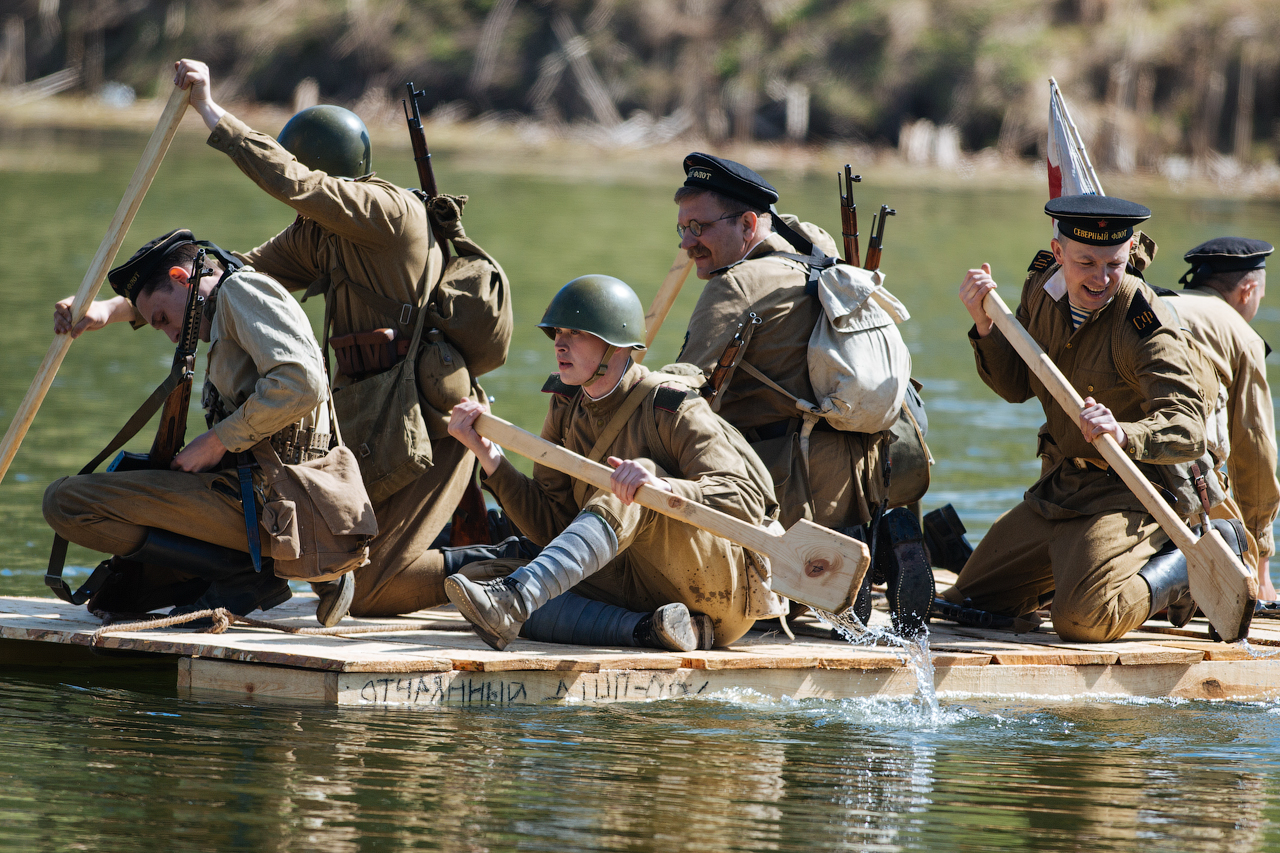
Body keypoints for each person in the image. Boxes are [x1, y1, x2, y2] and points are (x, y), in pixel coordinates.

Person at [170, 59, 495, 620]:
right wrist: (115, 306)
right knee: (336, 566)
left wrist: (208, 109)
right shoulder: (319, 234)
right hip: (367, 415)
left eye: (304, 177)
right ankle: (462, 553)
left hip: (429, 418)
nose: (299, 199)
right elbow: (231, 280)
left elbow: (298, 184)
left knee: (365, 590)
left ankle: (514, 558)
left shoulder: (390, 212)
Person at [944, 194, 1243, 642]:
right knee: (967, 602)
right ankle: (1076, 567)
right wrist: (985, 324)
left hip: (1135, 493)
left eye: (1114, 263)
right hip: (1063, 487)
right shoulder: (1042, 289)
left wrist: (1124, 433)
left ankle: (1185, 562)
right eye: (1086, 262)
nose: (1101, 278)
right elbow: (1015, 387)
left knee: (1083, 619)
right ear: (1059, 252)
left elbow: (1188, 428)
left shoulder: (1143, 323)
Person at [445, 275, 785, 651]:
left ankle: (518, 600)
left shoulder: (672, 407)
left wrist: (665, 489)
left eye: (576, 332)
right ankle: (651, 629)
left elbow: (746, 497)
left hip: (717, 589)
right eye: (558, 331)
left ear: (615, 346)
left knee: (627, 487)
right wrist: (489, 456)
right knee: (481, 577)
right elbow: (551, 523)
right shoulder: (566, 405)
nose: (559, 343)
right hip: (638, 585)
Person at [670, 152, 931, 632]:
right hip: (867, 476)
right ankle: (873, 549)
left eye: (699, 228)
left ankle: (819, 577)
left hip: (791, 487)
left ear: (749, 224)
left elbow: (680, 389)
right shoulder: (817, 249)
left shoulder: (736, 287)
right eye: (683, 228)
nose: (688, 244)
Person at [45, 229, 344, 620]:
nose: (171, 335)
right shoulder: (230, 296)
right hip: (264, 500)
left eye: (163, 320)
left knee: (66, 502)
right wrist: (105, 311)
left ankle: (245, 573)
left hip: (269, 502)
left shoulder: (240, 293)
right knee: (118, 599)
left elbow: (302, 383)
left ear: (181, 277)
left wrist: (216, 441)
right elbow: (158, 299)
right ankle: (234, 573)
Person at [1169, 237, 1278, 600]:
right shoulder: (1240, 334)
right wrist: (1260, 562)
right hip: (1186, 480)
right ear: (1248, 290)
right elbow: (1256, 454)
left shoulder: (1157, 302)